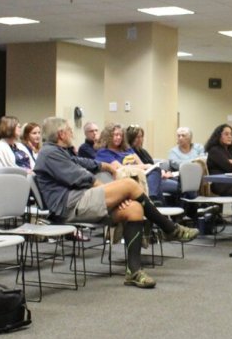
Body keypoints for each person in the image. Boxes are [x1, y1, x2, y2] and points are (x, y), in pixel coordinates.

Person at [34, 117, 198, 289]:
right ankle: (170, 228)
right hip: (68, 206)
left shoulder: (60, 151)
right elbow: (79, 176)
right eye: (69, 129)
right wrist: (109, 191)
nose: (71, 133)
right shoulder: (49, 153)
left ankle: (133, 272)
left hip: (80, 201)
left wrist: (105, 166)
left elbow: (82, 162)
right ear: (61, 134)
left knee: (134, 209)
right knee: (129, 185)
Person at [125, 124, 176, 203]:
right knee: (179, 187)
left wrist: (163, 172)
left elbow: (152, 165)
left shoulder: (143, 151)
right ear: (131, 138)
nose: (140, 139)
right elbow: (143, 168)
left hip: (157, 176)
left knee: (178, 181)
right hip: (148, 180)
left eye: (141, 136)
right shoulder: (129, 152)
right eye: (137, 137)